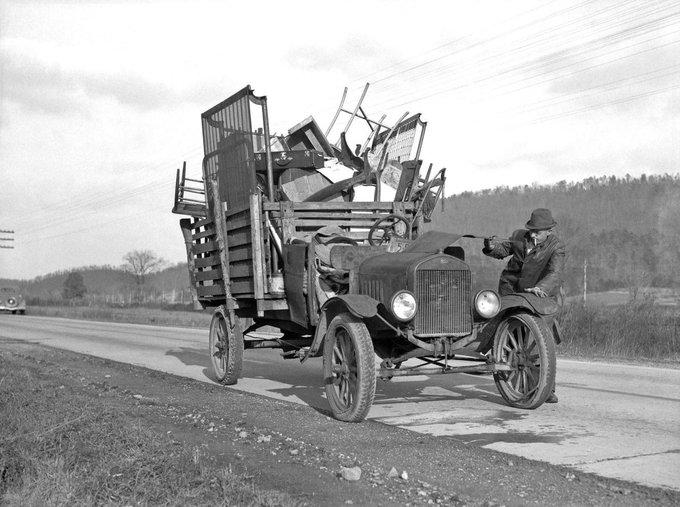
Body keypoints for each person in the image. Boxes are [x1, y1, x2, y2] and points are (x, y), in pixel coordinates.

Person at [482, 208, 565, 403]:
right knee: (511, 335)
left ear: (549, 231)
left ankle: (546, 389)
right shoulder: (519, 237)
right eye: (531, 230)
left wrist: (540, 287)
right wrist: (490, 246)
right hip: (511, 291)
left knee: (539, 340)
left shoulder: (556, 247)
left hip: (541, 296)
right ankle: (510, 375)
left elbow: (555, 273)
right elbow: (502, 251)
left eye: (538, 231)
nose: (533, 234)